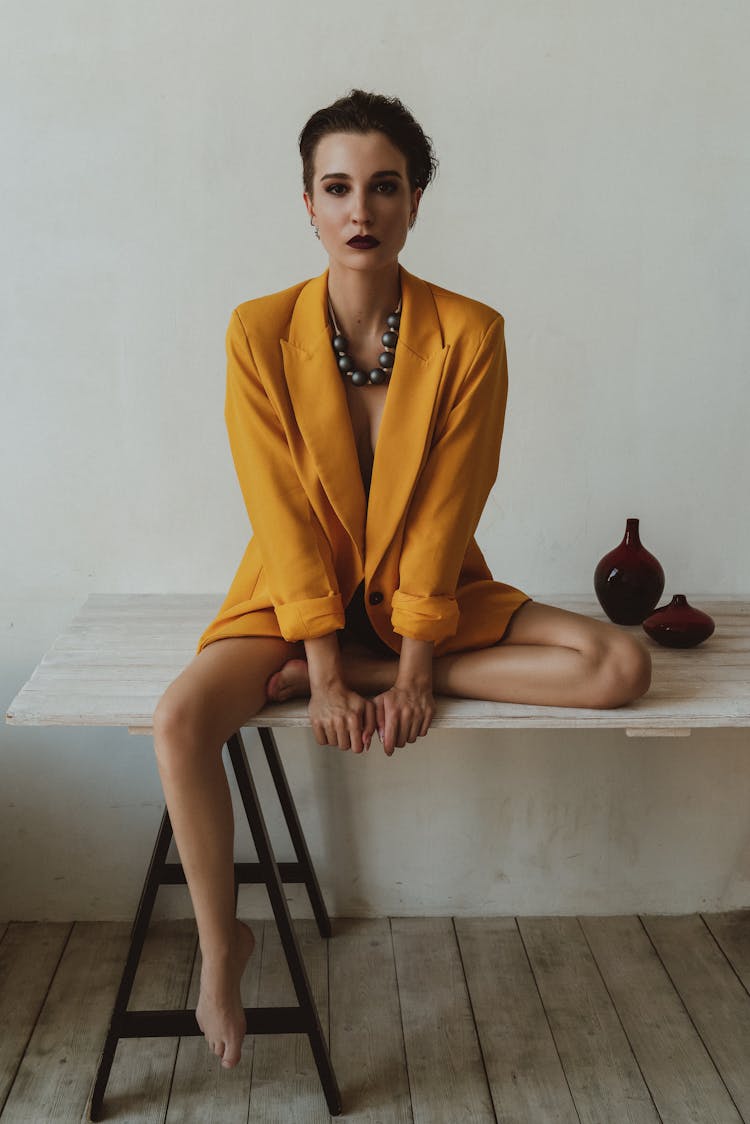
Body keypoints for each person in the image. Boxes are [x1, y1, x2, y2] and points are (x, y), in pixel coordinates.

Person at [153, 89, 652, 1071]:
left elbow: (448, 509)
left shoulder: (470, 332)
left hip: (417, 597)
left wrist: (406, 667)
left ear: (416, 200)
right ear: (306, 203)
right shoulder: (257, 333)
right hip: (298, 599)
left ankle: (389, 668)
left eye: (384, 187)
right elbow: (279, 513)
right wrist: (321, 663)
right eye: (337, 188)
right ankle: (223, 947)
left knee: (621, 665)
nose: (361, 211)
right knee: (179, 720)